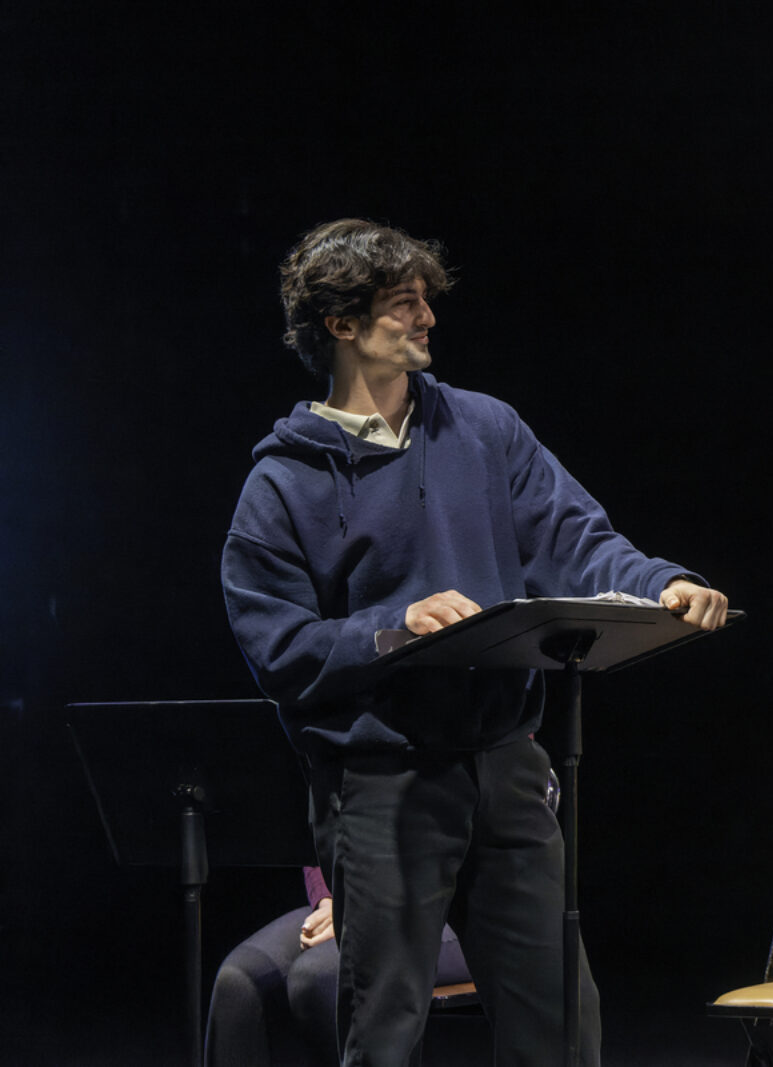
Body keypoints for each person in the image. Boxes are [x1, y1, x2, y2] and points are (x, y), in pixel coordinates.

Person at [222, 218, 730, 1066]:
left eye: (427, 300)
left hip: (504, 762)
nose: (427, 318)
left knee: (561, 1020)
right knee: (382, 1026)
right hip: (382, 782)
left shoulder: (484, 429)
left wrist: (656, 582)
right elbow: (278, 646)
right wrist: (392, 629)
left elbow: (575, 535)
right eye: (402, 304)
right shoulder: (281, 483)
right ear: (341, 325)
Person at [203, 867, 472, 1066]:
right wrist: (329, 900)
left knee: (318, 975)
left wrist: (361, 911)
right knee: (238, 984)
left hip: (449, 909)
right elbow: (323, 822)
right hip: (352, 899)